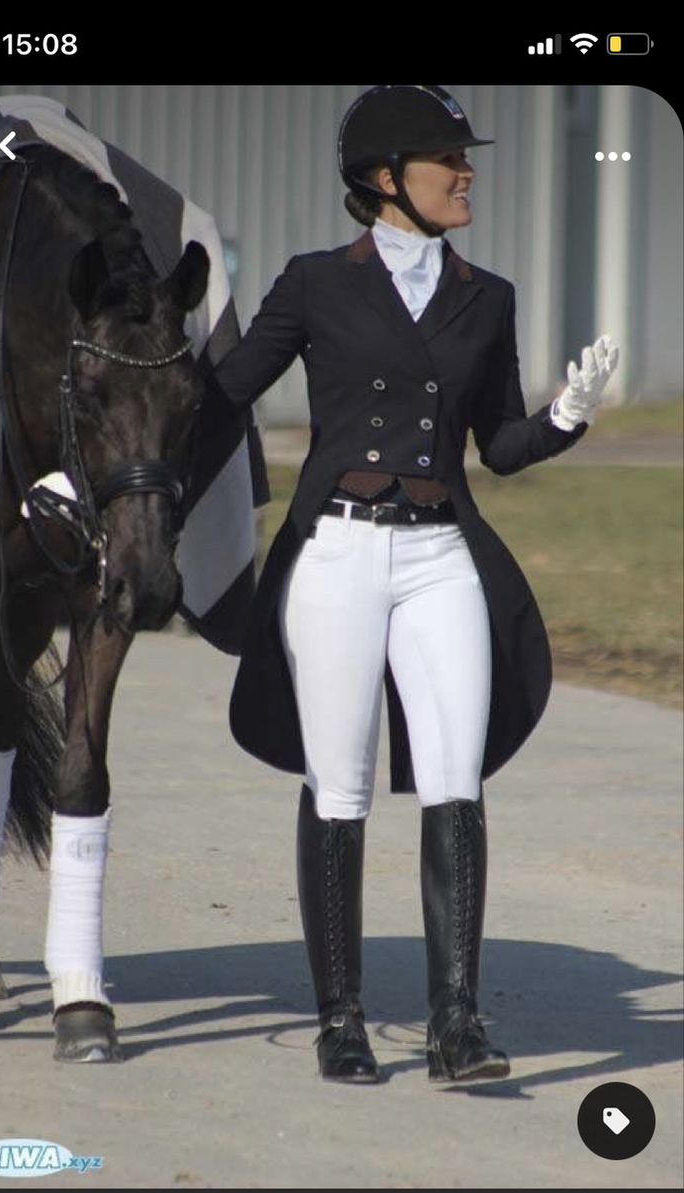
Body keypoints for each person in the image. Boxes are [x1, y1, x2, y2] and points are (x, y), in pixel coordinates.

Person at [207, 84, 619, 1084]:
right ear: (386, 180)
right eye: (447, 160)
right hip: (339, 553)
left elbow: (501, 445)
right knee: (339, 786)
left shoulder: (490, 295)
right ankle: (340, 1018)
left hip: (441, 555)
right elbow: (220, 397)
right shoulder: (313, 283)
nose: (467, 171)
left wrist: (566, 412)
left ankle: (455, 1022)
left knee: (454, 782)